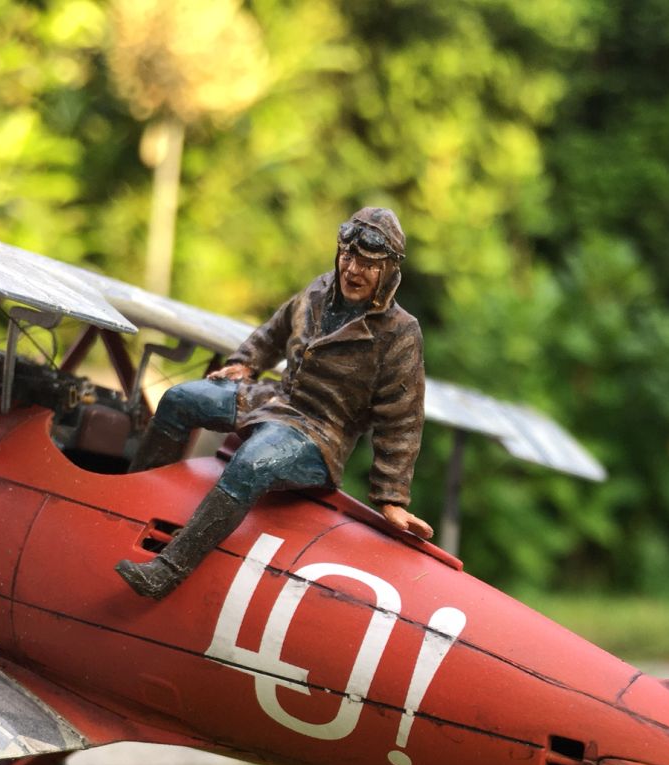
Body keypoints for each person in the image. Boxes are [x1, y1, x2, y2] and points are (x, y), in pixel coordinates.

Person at [115, 207, 433, 600]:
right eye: (347, 256)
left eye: (367, 264)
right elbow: (274, 331)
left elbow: (401, 418)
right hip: (273, 400)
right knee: (179, 399)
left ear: (388, 270)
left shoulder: (401, 333)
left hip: (320, 434)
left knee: (251, 462)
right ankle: (125, 508)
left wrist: (391, 497)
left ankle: (166, 571)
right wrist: (245, 362)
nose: (352, 270)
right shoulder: (318, 291)